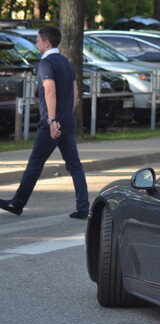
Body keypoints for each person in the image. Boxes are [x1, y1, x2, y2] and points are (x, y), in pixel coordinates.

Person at [0, 26, 89, 219]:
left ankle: (17, 203)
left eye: (38, 40)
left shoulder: (46, 63)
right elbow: (75, 93)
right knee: (75, 165)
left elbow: (49, 90)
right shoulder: (67, 62)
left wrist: (52, 120)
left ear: (47, 42)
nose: (36, 43)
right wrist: (67, 115)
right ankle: (83, 207)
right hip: (67, 121)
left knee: (35, 163)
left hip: (52, 123)